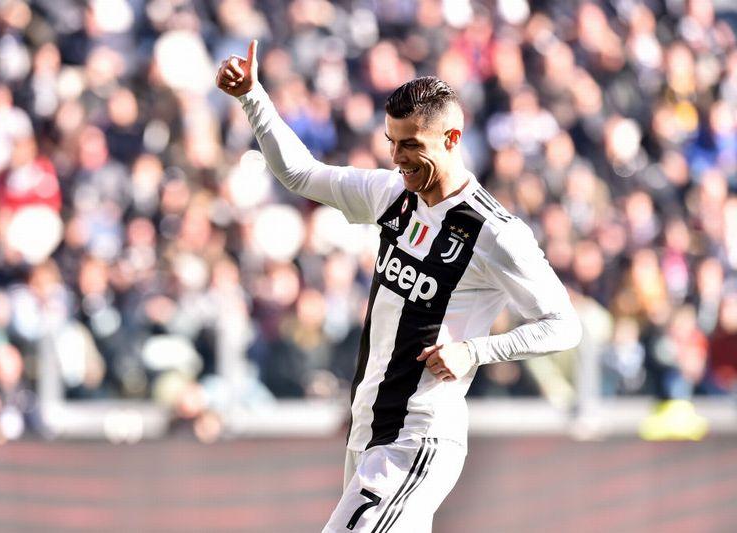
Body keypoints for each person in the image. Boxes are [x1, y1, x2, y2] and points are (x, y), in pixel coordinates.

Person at [216, 41, 582, 533]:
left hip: (419, 434)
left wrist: (475, 351)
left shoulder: (494, 232)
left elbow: (564, 325)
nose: (397, 157)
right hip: (369, 430)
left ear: (452, 138)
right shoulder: (392, 194)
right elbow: (301, 174)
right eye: (392, 141)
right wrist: (252, 96)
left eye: (411, 144)